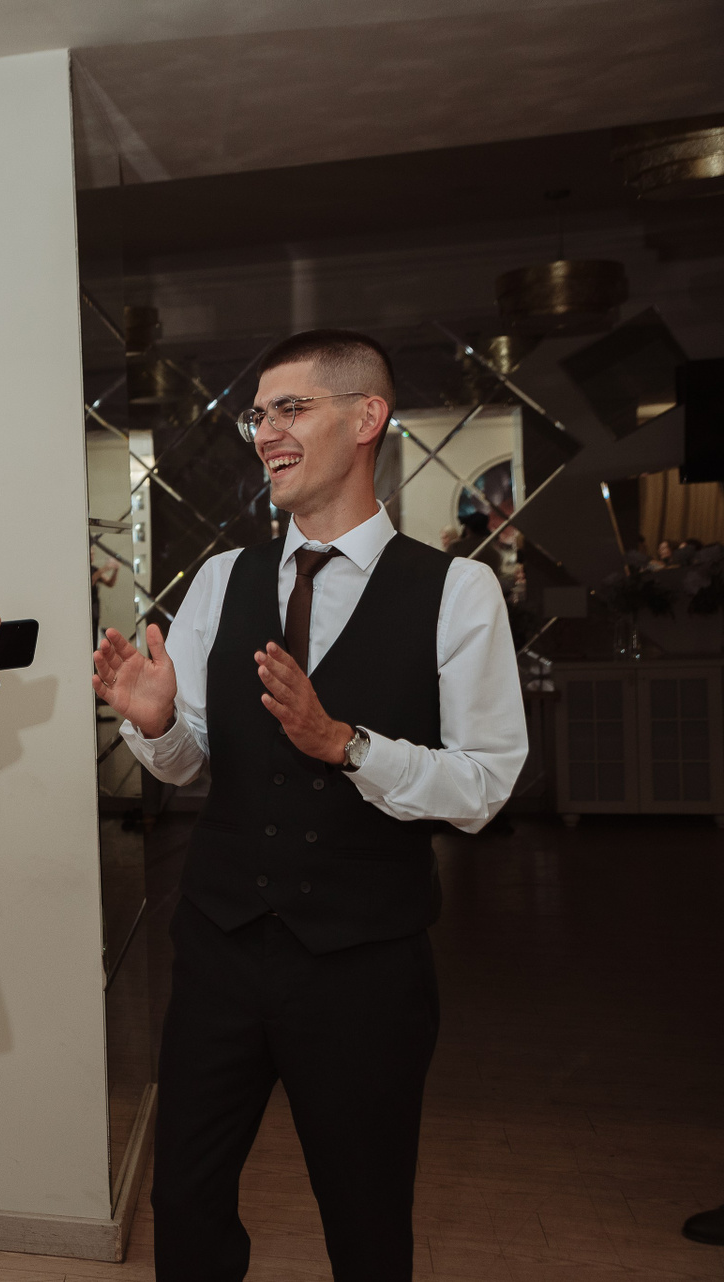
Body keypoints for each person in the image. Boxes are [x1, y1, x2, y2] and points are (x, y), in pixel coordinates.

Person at [93, 330, 527, 1281]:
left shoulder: (456, 592)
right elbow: (186, 763)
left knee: (366, 1220)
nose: (266, 433)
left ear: (368, 417)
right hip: (219, 949)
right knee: (185, 1202)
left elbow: (485, 784)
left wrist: (347, 745)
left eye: (291, 409)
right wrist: (156, 724)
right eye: (259, 415)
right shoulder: (223, 579)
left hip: (363, 967)